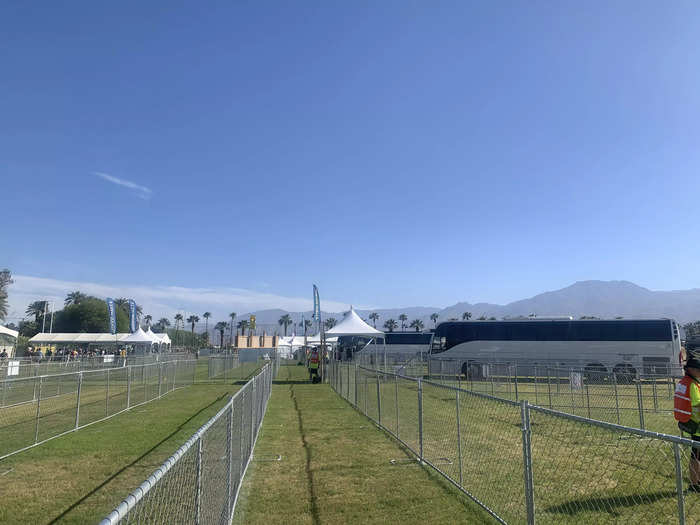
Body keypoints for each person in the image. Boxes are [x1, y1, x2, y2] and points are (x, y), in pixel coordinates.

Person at [675, 356, 700, 491]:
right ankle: (694, 484)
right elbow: (697, 404)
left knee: (696, 455)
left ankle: (697, 480)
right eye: (698, 370)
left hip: (690, 423)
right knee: (695, 456)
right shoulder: (692, 385)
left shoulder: (684, 382)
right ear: (691, 370)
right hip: (697, 426)